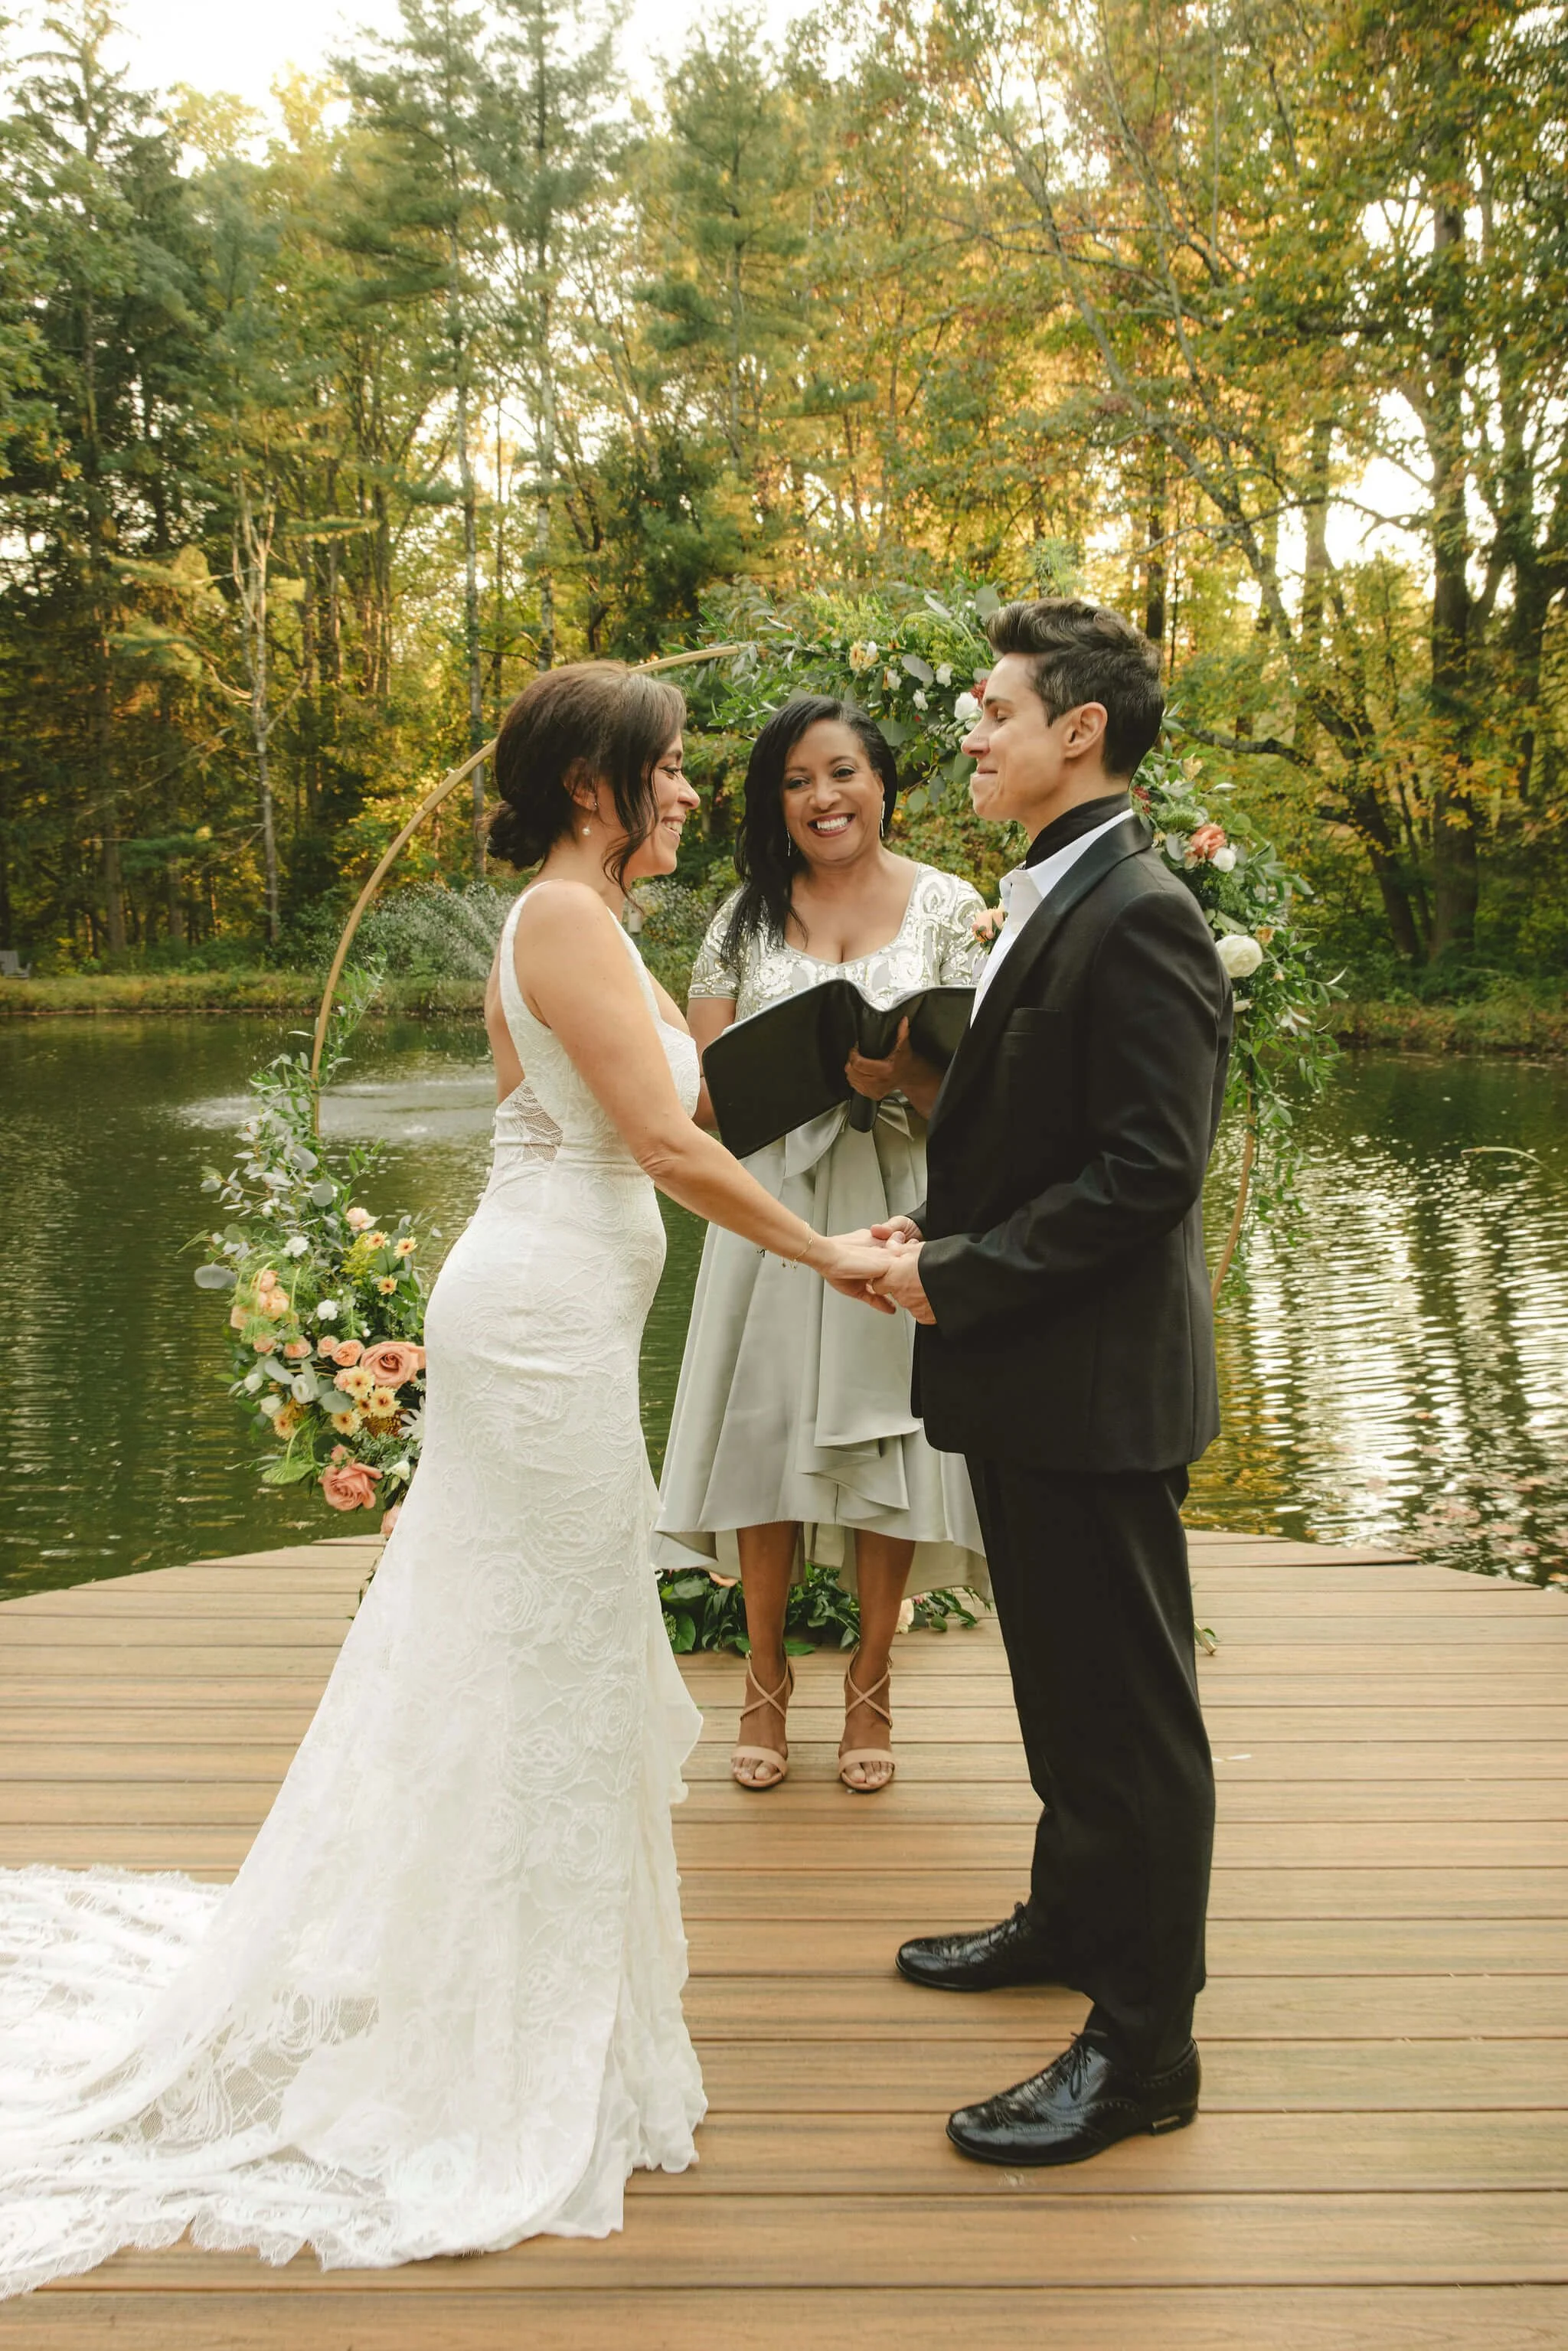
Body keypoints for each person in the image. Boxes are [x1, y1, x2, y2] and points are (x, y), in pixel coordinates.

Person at [0, 663, 890, 2297]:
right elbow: (672, 1151)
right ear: (587, 788)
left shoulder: (580, 926)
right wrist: (828, 1250)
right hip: (542, 1330)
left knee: (534, 1658)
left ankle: (530, 1997)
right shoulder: (560, 920)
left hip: (547, 1310)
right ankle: (503, 2039)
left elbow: (607, 1120)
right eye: (670, 770)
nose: (695, 792)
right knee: (546, 1662)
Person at [865, 599, 1233, 2167]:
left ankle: (1142, 2051)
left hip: (1092, 1385)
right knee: (1061, 1692)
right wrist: (934, 1226)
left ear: (1080, 729)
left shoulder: (1138, 908)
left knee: (1129, 1722)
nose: (971, 730)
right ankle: (1071, 1915)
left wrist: (957, 1272)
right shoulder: (1051, 889)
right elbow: (1044, 1129)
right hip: (1033, 1375)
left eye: (995, 709)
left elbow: (1150, 1170)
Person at [654, 695, 988, 1794]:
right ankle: (762, 1679)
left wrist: (908, 1079)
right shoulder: (742, 920)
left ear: (882, 782)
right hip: (773, 1218)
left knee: (889, 1442)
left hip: (901, 1206)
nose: (822, 798)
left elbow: (997, 1088)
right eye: (796, 781)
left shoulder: (951, 905)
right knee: (763, 1445)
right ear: (777, 802)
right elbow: (702, 1102)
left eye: (841, 772)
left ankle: (872, 1678)